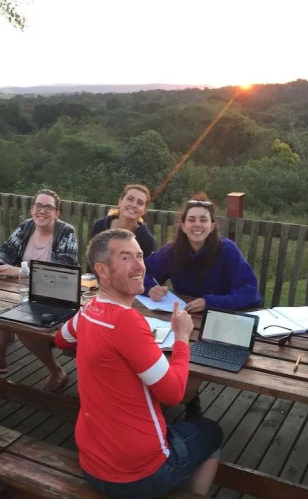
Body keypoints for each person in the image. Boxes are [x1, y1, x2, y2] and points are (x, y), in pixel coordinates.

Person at [54, 229, 222, 498]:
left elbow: (61, 339)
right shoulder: (126, 321)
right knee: (212, 432)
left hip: (92, 463)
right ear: (102, 271)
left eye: (140, 256)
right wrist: (181, 337)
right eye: (126, 257)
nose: (139, 266)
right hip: (139, 476)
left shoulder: (88, 310)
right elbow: (174, 394)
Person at [143, 193, 261, 418]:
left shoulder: (227, 250)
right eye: (192, 219)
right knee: (152, 352)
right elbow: (142, 271)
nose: (197, 224)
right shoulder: (172, 251)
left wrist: (210, 301)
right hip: (181, 319)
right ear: (183, 225)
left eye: (203, 219)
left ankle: (189, 401)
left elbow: (250, 291)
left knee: (188, 374)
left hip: (219, 321)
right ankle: (161, 401)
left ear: (212, 225)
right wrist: (150, 287)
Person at [0, 188, 78, 392]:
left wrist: (20, 270)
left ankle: (57, 371)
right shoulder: (26, 226)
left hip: (55, 297)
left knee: (22, 323)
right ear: (32, 209)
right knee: (2, 310)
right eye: (38, 206)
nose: (42, 211)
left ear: (57, 213)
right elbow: (5, 250)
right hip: (21, 292)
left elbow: (63, 268)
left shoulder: (66, 232)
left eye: (48, 207)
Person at [90, 183, 155, 260]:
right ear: (120, 202)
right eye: (130, 199)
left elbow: (145, 267)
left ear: (144, 210)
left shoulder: (146, 239)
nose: (134, 205)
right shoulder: (100, 225)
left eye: (140, 203)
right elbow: (91, 260)